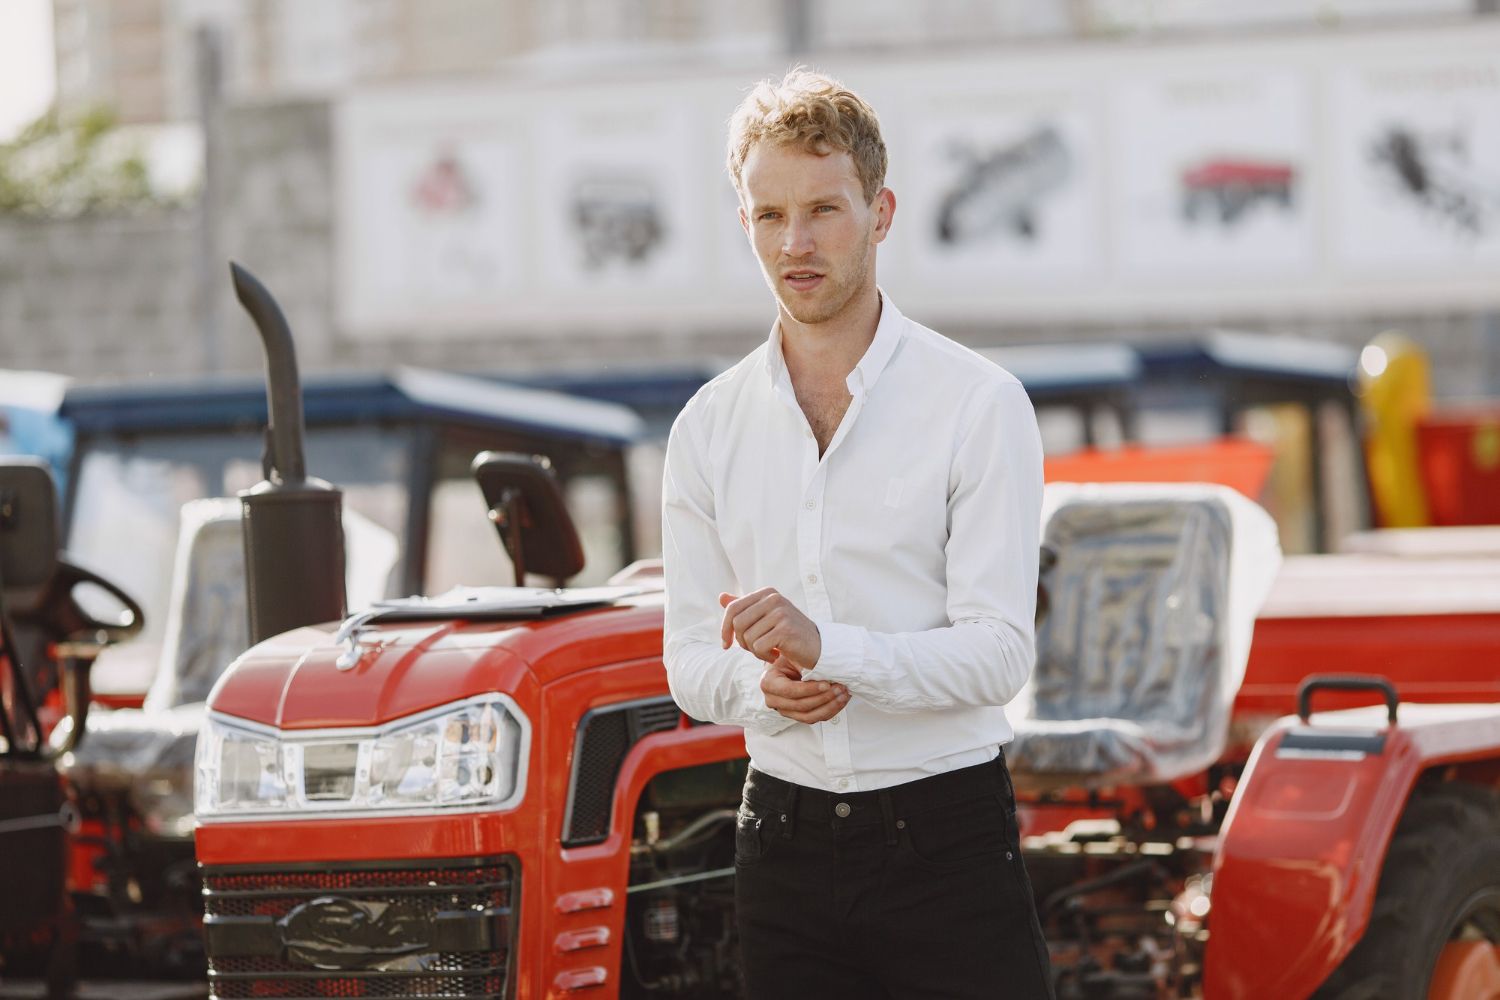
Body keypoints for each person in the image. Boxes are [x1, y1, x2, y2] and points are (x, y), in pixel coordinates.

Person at [661, 68, 1053, 999]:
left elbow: (1000, 655)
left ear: (881, 213)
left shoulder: (979, 404)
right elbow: (684, 659)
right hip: (780, 848)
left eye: (823, 210)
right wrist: (761, 686)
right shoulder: (706, 427)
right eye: (767, 216)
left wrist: (829, 651)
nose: (794, 244)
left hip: (947, 845)